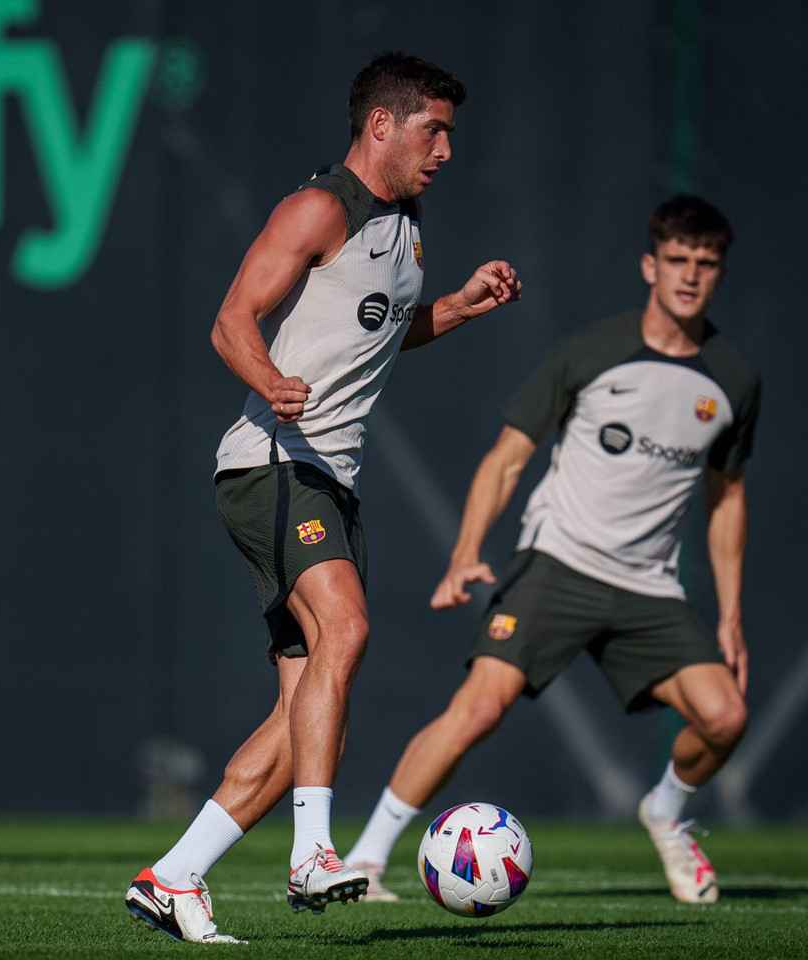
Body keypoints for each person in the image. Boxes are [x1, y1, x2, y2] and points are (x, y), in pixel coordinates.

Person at [124, 52, 522, 944]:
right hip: (271, 462)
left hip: (329, 480)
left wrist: (457, 306)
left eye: (450, 131)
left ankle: (175, 876)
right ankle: (311, 857)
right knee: (346, 627)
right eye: (434, 129)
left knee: (308, 725)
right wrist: (268, 379)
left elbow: (381, 329)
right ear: (381, 124)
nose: (446, 149)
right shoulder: (318, 207)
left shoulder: (405, 226)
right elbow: (231, 319)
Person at [342, 195, 757, 906]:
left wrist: (730, 615)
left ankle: (665, 811)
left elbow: (726, 500)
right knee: (478, 709)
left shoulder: (732, 380)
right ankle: (365, 860)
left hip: (650, 590)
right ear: (650, 266)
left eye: (706, 264)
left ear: (719, 273)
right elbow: (506, 460)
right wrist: (466, 550)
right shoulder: (590, 353)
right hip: (558, 564)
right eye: (678, 261)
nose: (690, 277)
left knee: (725, 717)